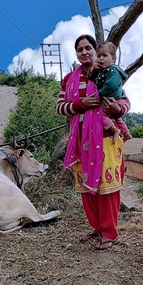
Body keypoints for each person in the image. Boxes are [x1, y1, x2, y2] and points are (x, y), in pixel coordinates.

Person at [56, 34, 131, 250]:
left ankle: (109, 232)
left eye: (88, 48)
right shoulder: (69, 79)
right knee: (87, 188)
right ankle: (97, 227)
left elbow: (125, 100)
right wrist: (80, 104)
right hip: (80, 140)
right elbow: (60, 107)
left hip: (105, 138)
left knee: (107, 188)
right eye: (80, 49)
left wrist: (118, 109)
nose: (84, 52)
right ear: (76, 54)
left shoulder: (108, 73)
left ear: (95, 51)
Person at [88, 41, 132, 144]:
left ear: (113, 58)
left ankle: (114, 130)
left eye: (104, 56)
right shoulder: (102, 70)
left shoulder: (113, 72)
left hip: (117, 100)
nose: (101, 59)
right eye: (98, 56)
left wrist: (99, 94)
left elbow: (110, 86)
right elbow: (91, 77)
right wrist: (93, 70)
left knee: (100, 115)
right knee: (116, 117)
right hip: (114, 100)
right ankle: (126, 133)